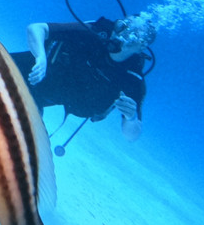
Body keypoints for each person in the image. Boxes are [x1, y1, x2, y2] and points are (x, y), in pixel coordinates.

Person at [10, 14, 156, 142]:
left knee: (15, 130)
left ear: (141, 47)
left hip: (46, 95)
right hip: (30, 68)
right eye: (121, 26)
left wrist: (131, 118)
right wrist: (40, 57)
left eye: (132, 37)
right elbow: (37, 28)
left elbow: (131, 136)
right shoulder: (94, 32)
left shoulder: (132, 80)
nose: (121, 36)